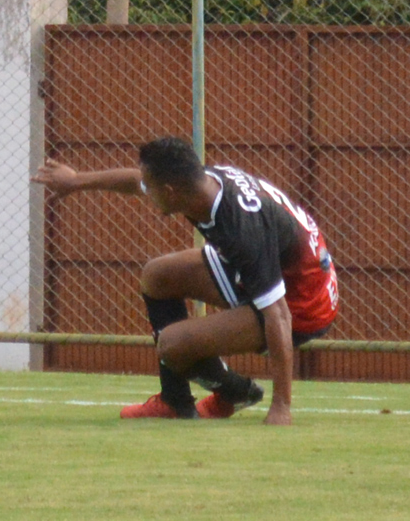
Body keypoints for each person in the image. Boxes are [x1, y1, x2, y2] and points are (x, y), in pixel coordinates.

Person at [31, 137, 339, 425]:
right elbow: (133, 181)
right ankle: (174, 401)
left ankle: (235, 391)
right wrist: (75, 181)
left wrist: (281, 407)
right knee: (158, 275)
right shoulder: (198, 183)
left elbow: (279, 315)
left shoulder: (242, 230)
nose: (146, 193)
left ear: (170, 192)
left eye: (150, 188)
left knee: (173, 346)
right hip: (270, 268)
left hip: (304, 304)